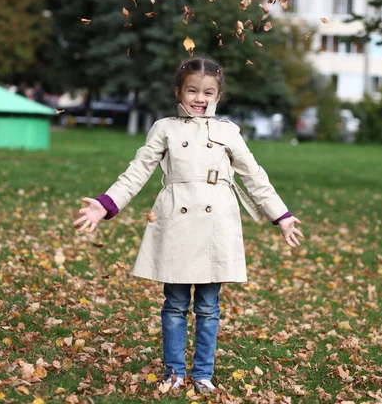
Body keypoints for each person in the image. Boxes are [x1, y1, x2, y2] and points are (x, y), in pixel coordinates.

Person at [73, 56, 304, 395]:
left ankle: (204, 373)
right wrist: (106, 205)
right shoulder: (164, 129)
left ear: (218, 96)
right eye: (192, 90)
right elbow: (137, 171)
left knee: (209, 306)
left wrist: (281, 216)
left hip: (216, 224)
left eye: (208, 92)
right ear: (178, 92)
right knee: (175, 303)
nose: (199, 98)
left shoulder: (228, 132)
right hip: (176, 222)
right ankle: (174, 372)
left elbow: (254, 176)